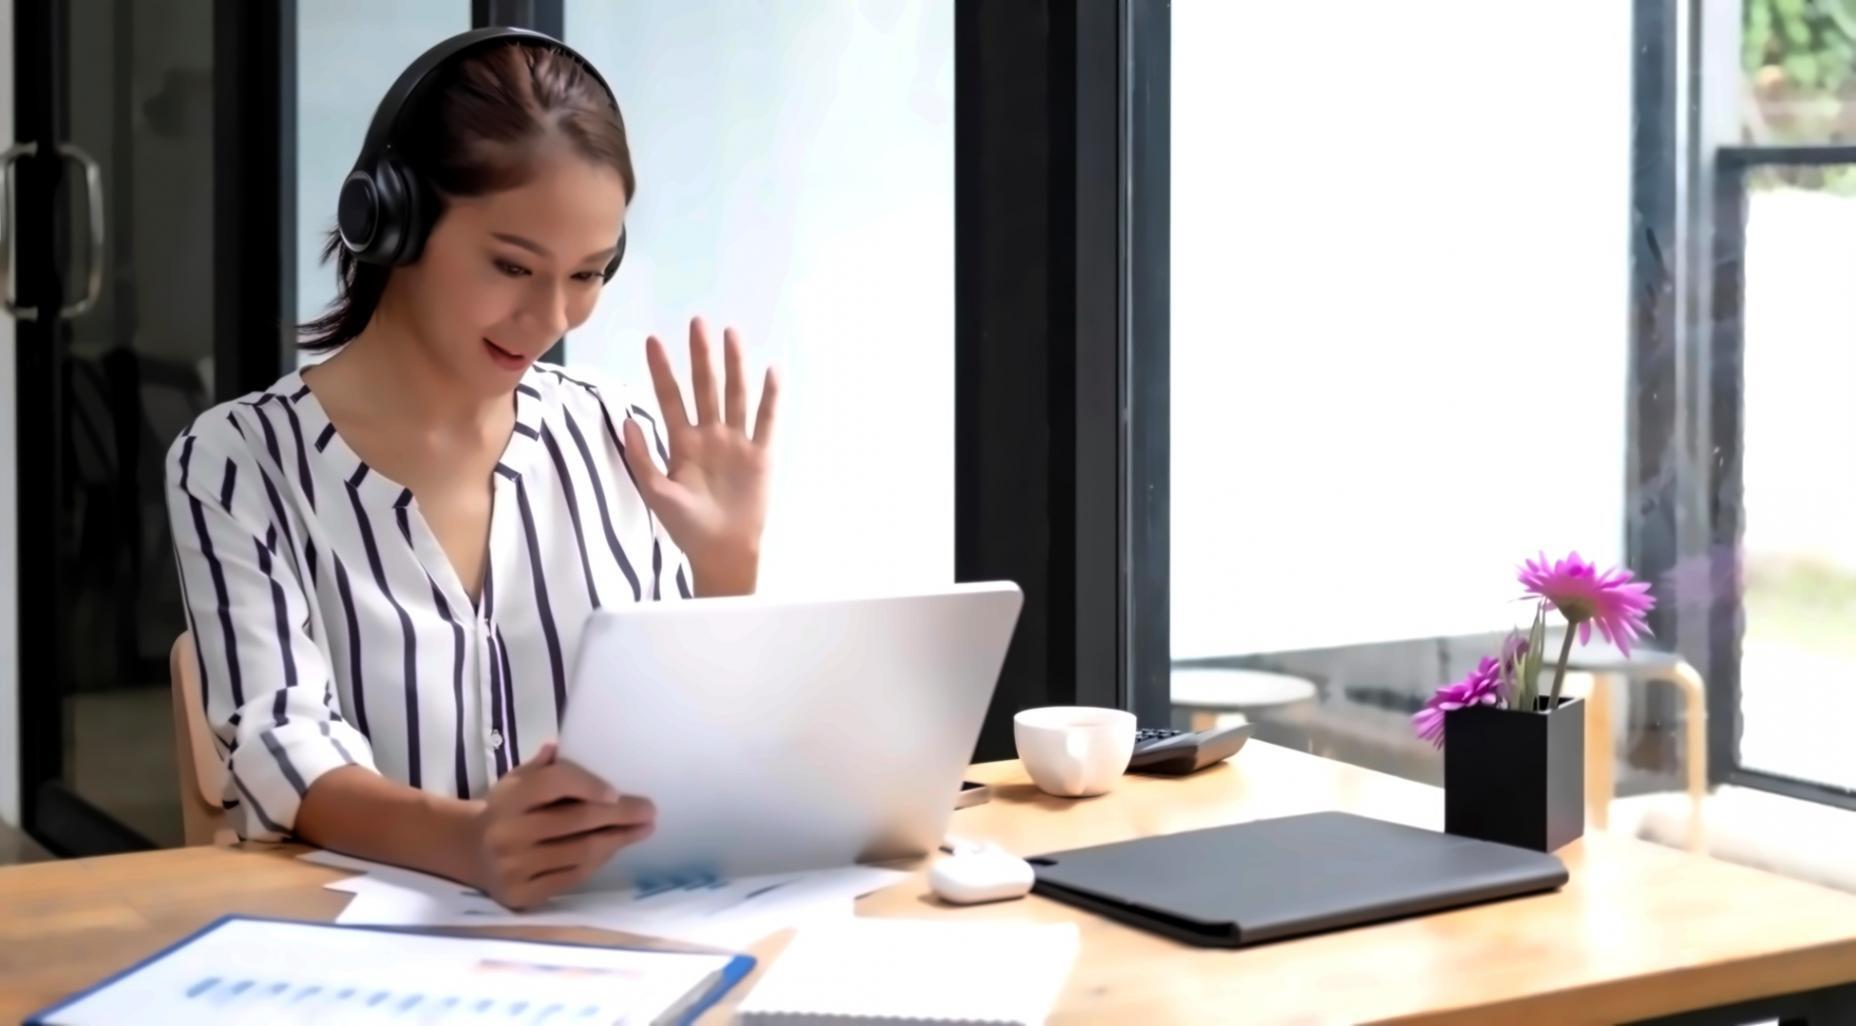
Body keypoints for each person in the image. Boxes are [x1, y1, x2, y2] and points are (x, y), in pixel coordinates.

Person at [164, 28, 776, 910]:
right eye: (512, 265)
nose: (550, 317)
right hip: (372, 961)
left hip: (622, 943)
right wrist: (473, 841)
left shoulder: (622, 438)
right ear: (391, 219)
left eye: (588, 275)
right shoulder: (237, 464)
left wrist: (728, 573)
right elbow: (283, 749)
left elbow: (703, 760)